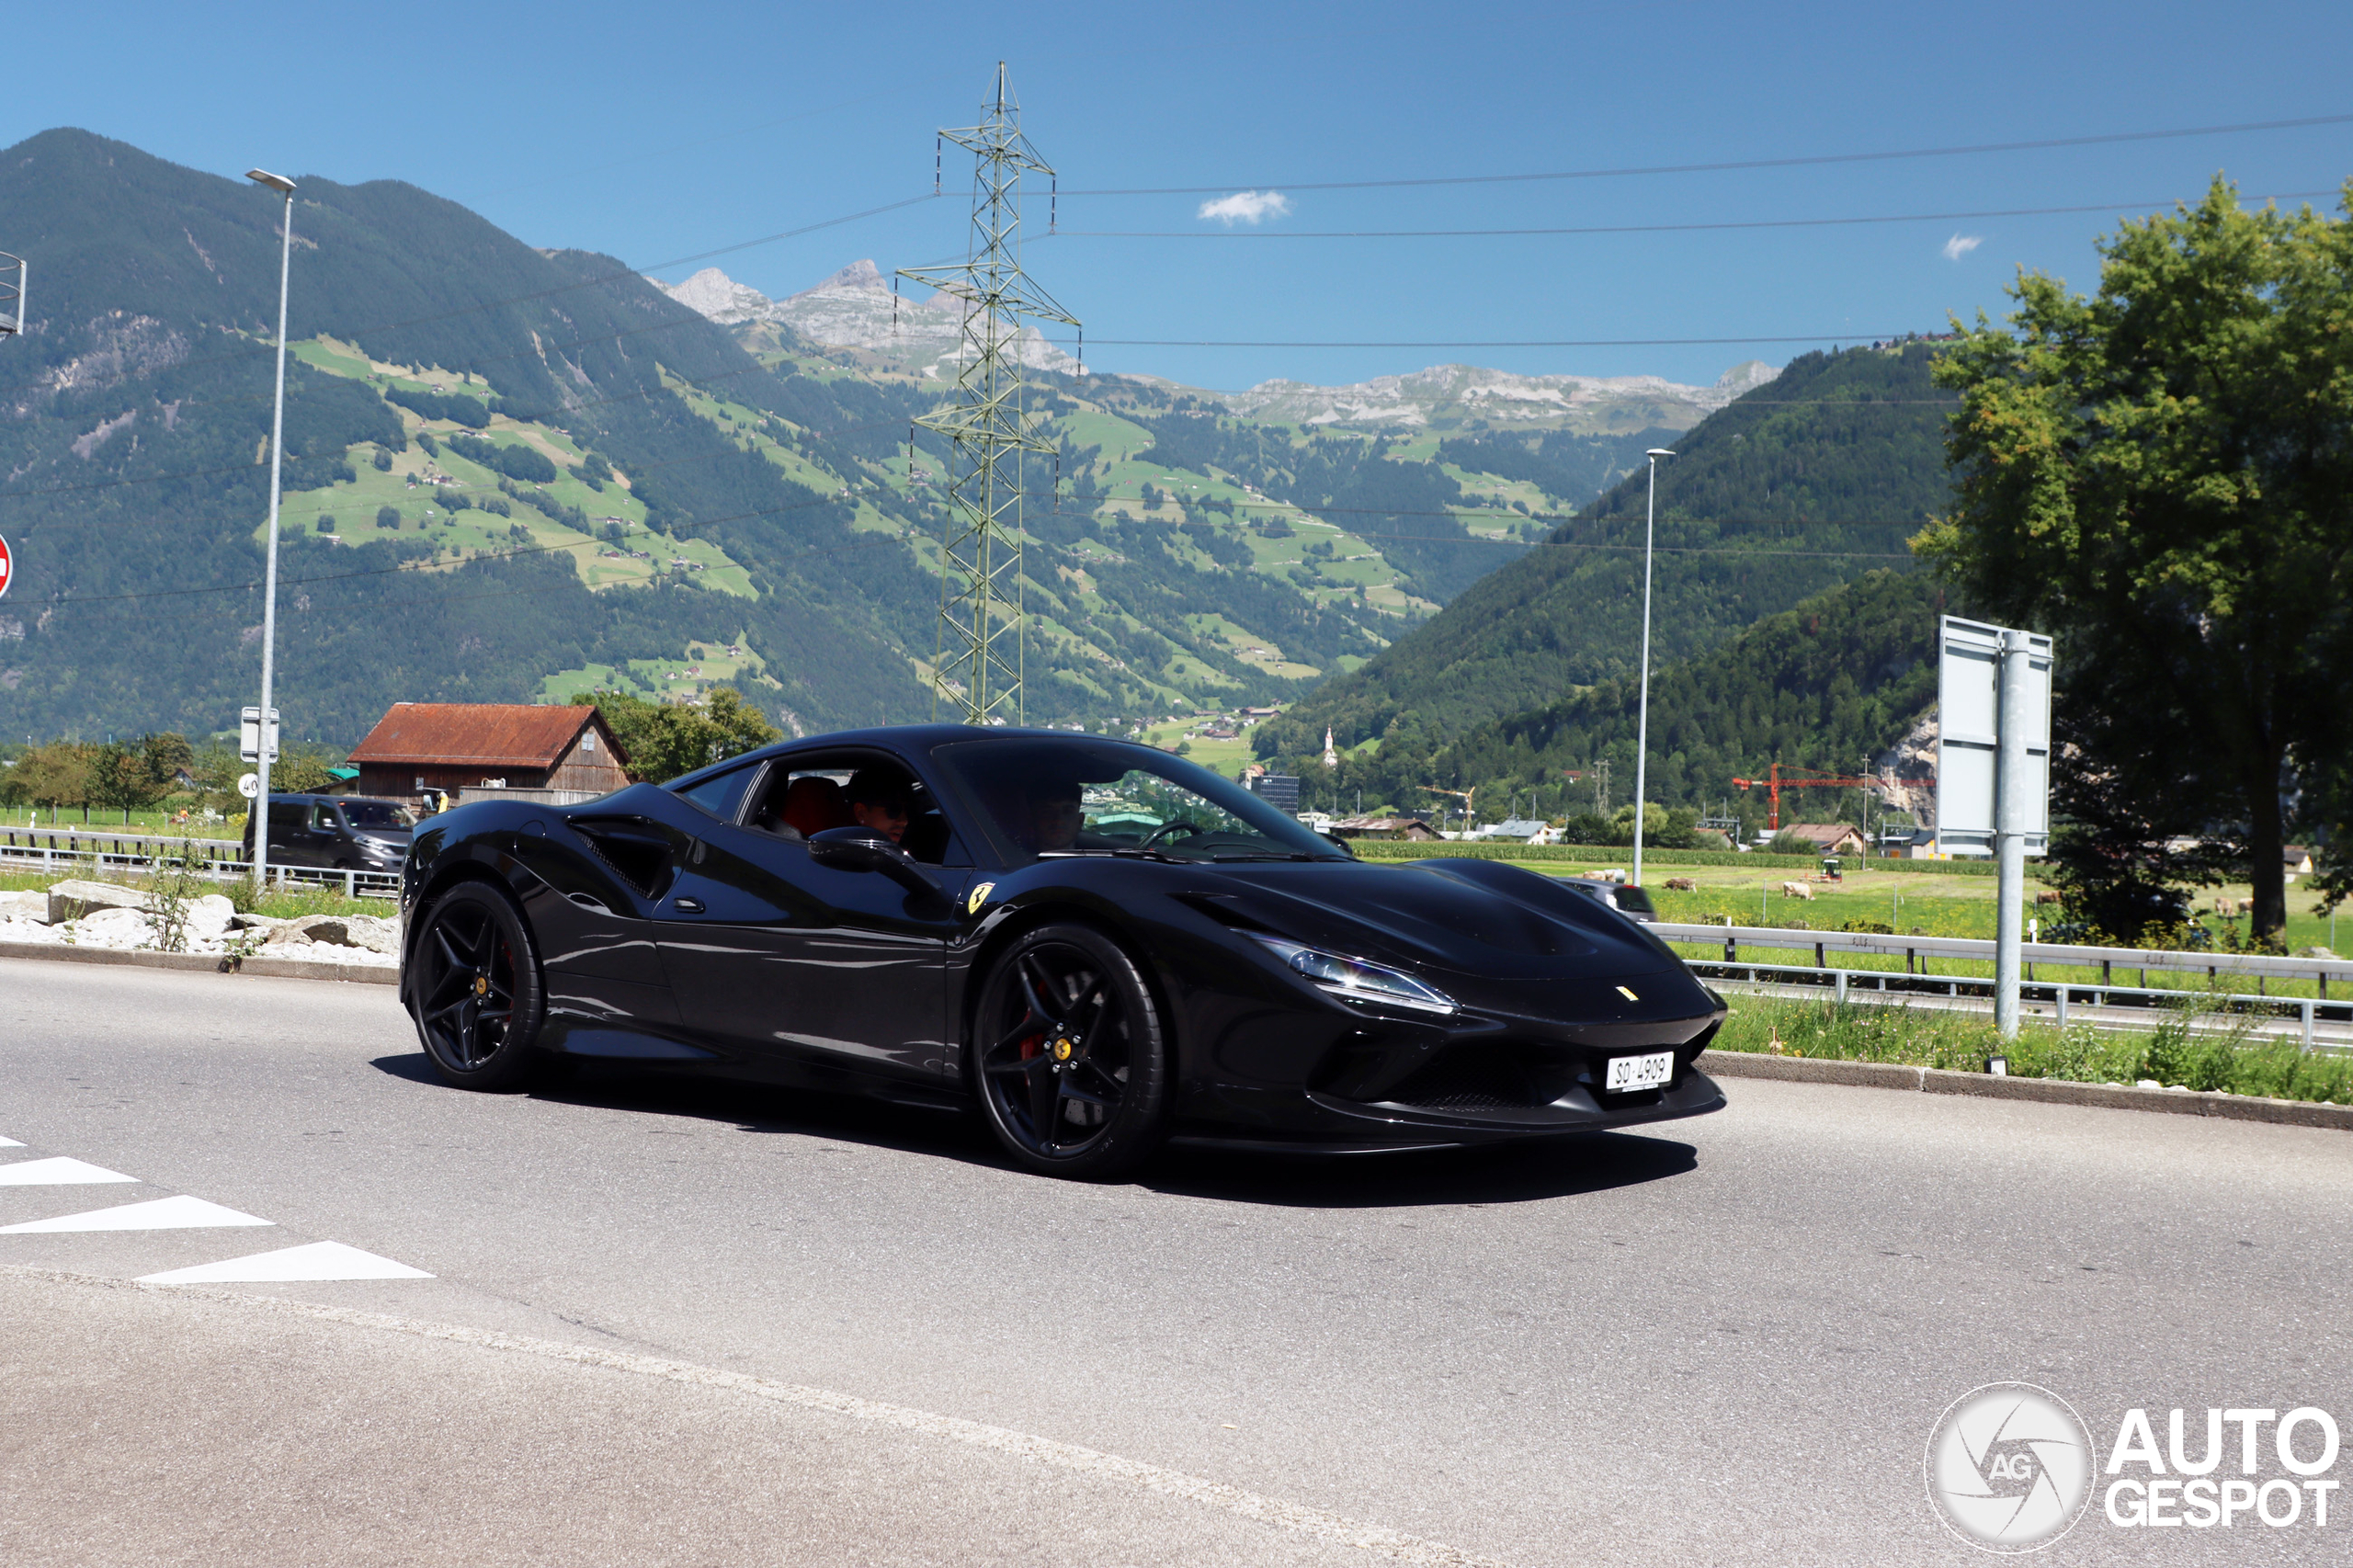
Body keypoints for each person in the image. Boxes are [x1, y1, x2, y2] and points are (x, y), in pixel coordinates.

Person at [845, 767, 912, 845]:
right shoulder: (842, 854)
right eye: (893, 810)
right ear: (861, 813)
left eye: (909, 810)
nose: (904, 821)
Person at [1025, 778, 1084, 854]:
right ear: (1032, 819)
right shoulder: (1012, 861)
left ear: (1080, 820)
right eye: (1048, 812)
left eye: (1068, 811)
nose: (1058, 821)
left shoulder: (1096, 861)